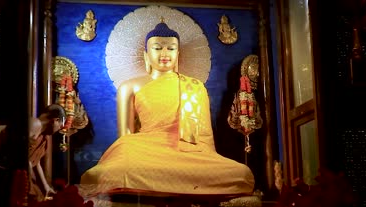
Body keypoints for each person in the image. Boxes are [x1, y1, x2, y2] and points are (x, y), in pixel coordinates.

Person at [80, 21, 255, 195]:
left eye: (170, 48)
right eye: (157, 48)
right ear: (146, 54)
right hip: (143, 151)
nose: (164, 53)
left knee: (241, 174)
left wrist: (203, 154)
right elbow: (126, 136)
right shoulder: (129, 87)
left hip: (189, 153)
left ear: (178, 53)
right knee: (102, 174)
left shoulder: (194, 86)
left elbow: (204, 138)